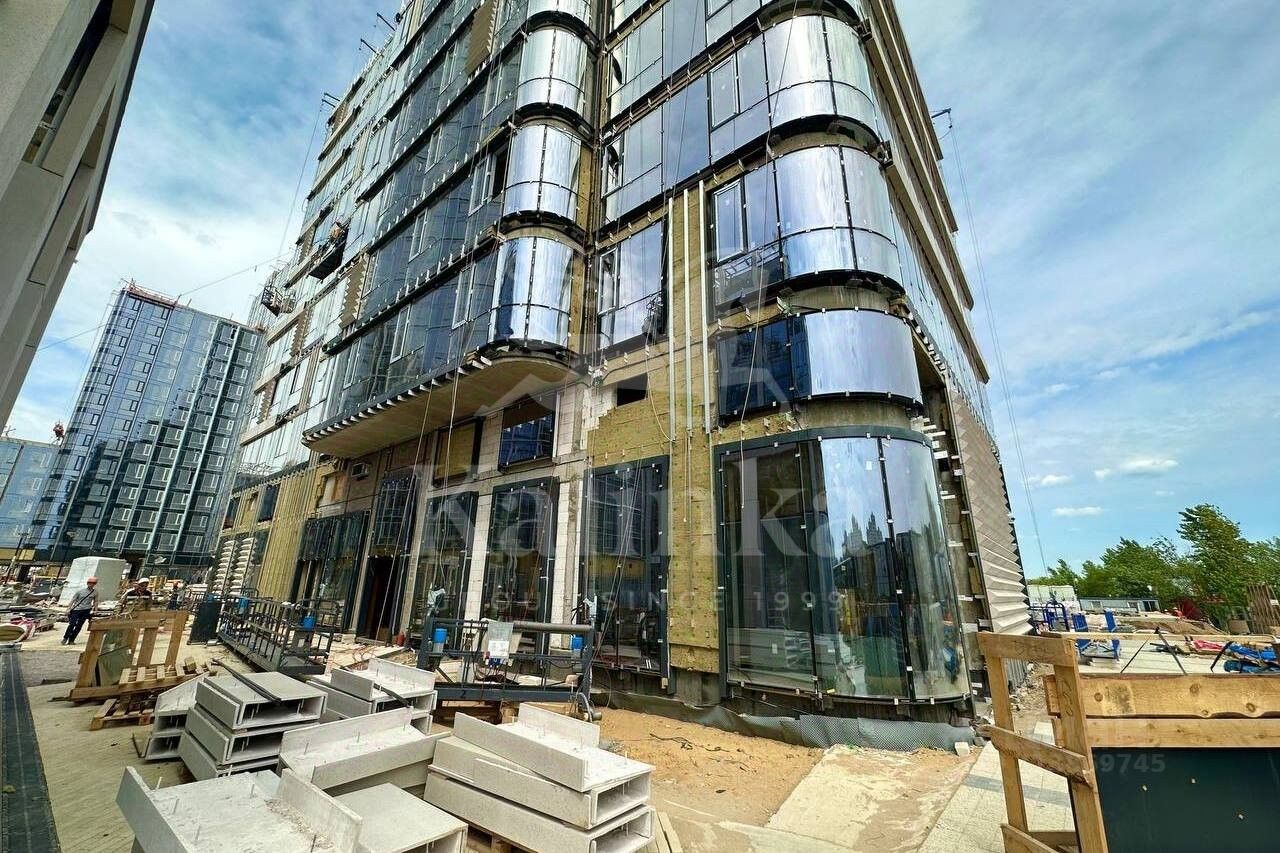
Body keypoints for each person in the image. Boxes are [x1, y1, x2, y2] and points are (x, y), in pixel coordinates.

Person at [63, 577, 98, 645]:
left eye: (93, 583)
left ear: (95, 584)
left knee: (79, 626)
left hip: (86, 610)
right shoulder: (80, 591)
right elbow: (73, 600)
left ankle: (71, 640)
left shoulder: (95, 592)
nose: (91, 584)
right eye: (89, 583)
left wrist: (95, 610)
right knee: (72, 624)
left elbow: (96, 601)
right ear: (87, 583)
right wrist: (68, 609)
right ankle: (65, 637)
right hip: (77, 610)